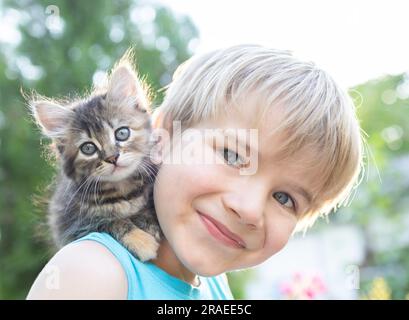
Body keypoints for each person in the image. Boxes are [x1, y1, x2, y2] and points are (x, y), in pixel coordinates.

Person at [27, 44, 363, 299]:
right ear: (161, 137)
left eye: (284, 198)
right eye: (232, 155)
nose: (247, 208)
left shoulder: (216, 288)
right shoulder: (92, 271)